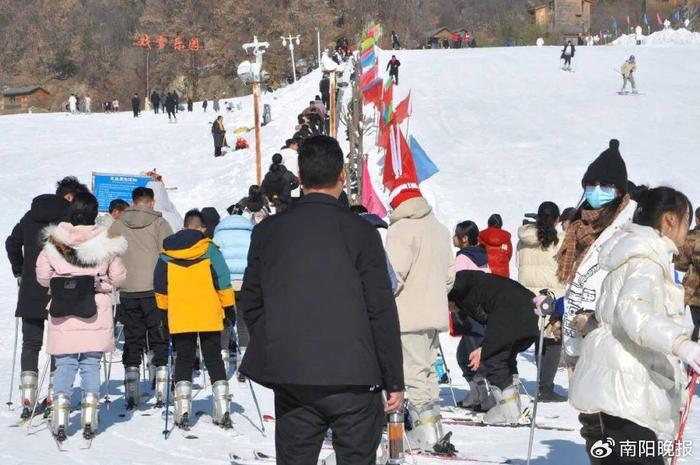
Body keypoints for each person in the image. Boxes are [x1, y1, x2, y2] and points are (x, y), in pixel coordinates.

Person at [238, 135, 404, 465]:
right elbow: (381, 310)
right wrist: (394, 379)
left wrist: (276, 341)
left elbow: (251, 301)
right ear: (342, 175)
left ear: (300, 178)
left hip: (293, 373)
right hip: (355, 376)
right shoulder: (362, 233)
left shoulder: (269, 231)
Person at [570, 186, 696, 465]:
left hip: (617, 388)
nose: (690, 227)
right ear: (670, 220)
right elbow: (633, 312)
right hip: (625, 391)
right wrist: (681, 345)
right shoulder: (645, 261)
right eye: (688, 219)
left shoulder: (636, 256)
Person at [556, 139, 637, 465]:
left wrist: (596, 318)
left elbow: (630, 288)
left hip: (613, 344)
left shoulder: (629, 229)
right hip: (581, 343)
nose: (596, 190)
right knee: (592, 424)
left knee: (616, 424)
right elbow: (580, 281)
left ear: (619, 189)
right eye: (591, 184)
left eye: (605, 185)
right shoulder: (579, 226)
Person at [36, 192, 127, 441]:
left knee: (65, 363)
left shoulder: (55, 241)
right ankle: (90, 414)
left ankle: (61, 415)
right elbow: (119, 277)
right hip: (95, 309)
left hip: (63, 309)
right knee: (90, 363)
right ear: (94, 213)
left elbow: (43, 276)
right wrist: (103, 282)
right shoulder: (106, 240)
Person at [5, 176, 87, 420]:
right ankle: (54, 394)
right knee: (58, 345)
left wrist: (20, 270)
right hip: (60, 289)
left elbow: (11, 243)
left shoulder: (30, 216)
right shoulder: (67, 219)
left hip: (30, 287)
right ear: (70, 197)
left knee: (31, 344)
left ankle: (27, 396)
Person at [386, 183, 455, 453]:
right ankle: (433, 425)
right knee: (428, 372)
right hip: (433, 313)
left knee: (412, 374)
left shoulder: (402, 229)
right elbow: (449, 277)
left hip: (407, 313)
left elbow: (393, 275)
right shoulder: (439, 229)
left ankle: (422, 432)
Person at [154, 209, 235, 429]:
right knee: (213, 357)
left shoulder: (166, 252)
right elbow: (223, 280)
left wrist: (164, 312)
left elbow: (161, 286)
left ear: (184, 226)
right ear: (201, 228)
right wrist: (228, 308)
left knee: (184, 357)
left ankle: (182, 409)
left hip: (180, 312)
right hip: (208, 311)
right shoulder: (209, 249)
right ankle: (222, 407)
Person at [108, 187, 173, 408]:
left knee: (133, 336)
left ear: (133, 202)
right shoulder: (160, 223)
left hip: (127, 288)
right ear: (151, 203)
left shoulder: (117, 224)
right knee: (159, 334)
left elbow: (110, 253)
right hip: (155, 288)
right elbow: (169, 254)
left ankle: (132, 382)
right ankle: (162, 381)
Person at [449, 271, 538, 425]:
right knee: (505, 356)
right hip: (528, 307)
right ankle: (512, 405)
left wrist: (484, 349)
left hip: (512, 310)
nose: (450, 311)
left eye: (449, 306)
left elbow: (497, 326)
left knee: (494, 358)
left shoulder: (465, 289)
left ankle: (507, 411)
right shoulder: (477, 289)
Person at [516, 201, 566, 402]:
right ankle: (546, 387)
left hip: (527, 295)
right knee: (553, 340)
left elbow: (518, 263)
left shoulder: (523, 240)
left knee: (538, 338)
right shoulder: (559, 241)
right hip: (551, 295)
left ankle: (540, 383)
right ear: (557, 219)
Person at [451, 221, 491, 411]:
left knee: (469, 356)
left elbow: (458, 284)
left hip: (469, 311)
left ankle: (481, 395)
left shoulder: (463, 258)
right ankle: (476, 392)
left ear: (465, 238)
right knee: (464, 353)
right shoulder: (482, 256)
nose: (454, 238)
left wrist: (454, 303)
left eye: (456, 234)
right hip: (483, 309)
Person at [676, 206, 700, 340]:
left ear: (697, 219)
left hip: (693, 292)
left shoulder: (690, 237)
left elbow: (680, 264)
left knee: (693, 331)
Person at [479, 214, 513, 278]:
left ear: (488, 223)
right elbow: (509, 255)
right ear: (501, 224)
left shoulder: (481, 236)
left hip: (484, 273)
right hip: (502, 275)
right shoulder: (506, 238)